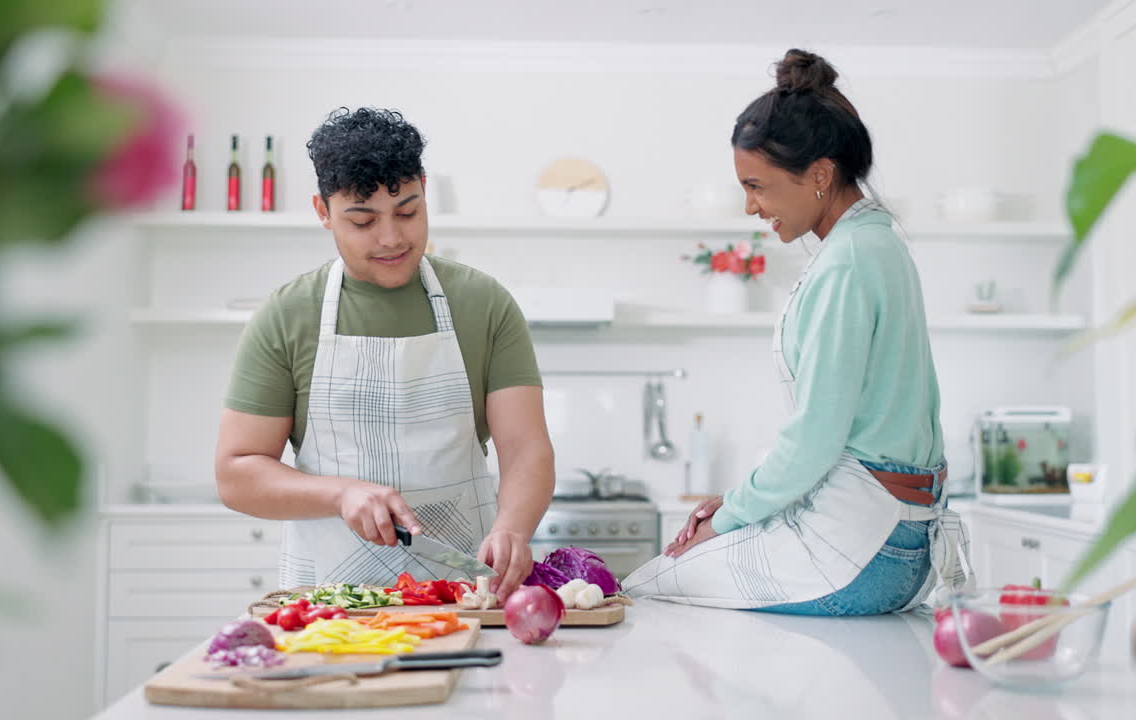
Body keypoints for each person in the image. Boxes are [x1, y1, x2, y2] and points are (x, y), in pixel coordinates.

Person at [623, 50, 971, 614]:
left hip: (862, 549)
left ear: (820, 175)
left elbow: (816, 435)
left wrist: (729, 517)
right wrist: (736, 504)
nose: (750, 206)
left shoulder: (849, 260)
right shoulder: (877, 243)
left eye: (756, 186)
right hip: (899, 543)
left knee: (646, 588)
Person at [214, 107, 554, 603]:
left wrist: (513, 529)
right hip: (331, 605)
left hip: (466, 595)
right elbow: (237, 474)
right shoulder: (288, 315)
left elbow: (526, 448)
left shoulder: (483, 304)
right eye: (363, 220)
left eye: (408, 212)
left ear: (424, 190)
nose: (392, 237)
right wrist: (341, 493)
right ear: (323, 211)